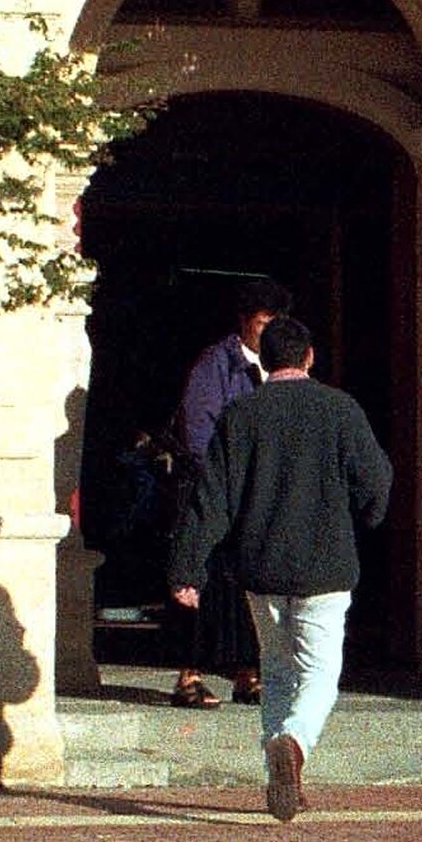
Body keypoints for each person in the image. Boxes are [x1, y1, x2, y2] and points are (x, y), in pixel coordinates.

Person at [168, 310, 392, 819]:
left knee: (277, 669)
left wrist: (187, 568)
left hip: (260, 566)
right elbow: (375, 481)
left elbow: (211, 500)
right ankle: (292, 744)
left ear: (264, 360)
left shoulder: (240, 415)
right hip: (325, 566)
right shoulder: (341, 409)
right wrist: (368, 515)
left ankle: (282, 766)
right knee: (319, 673)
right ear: (310, 357)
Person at [167, 290, 277, 707]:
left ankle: (248, 671)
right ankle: (188, 674)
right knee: (198, 580)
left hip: (254, 495)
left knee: (248, 583)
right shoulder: (216, 364)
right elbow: (198, 430)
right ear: (246, 322)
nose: (267, 334)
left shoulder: (278, 369)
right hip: (214, 488)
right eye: (262, 324)